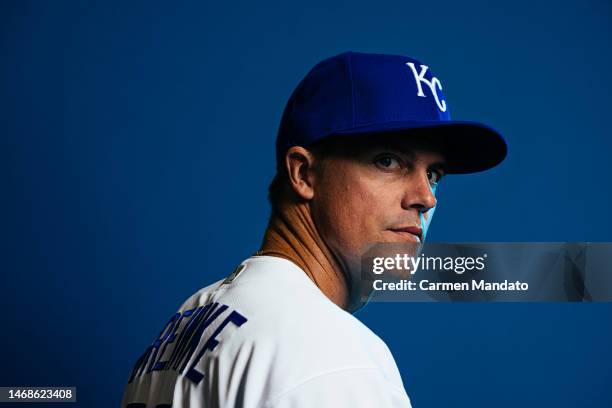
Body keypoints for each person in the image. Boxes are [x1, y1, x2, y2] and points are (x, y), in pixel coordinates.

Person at [121, 51, 507, 407]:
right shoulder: (332, 357)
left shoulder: (189, 321)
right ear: (304, 173)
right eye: (388, 161)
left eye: (434, 174)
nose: (426, 196)